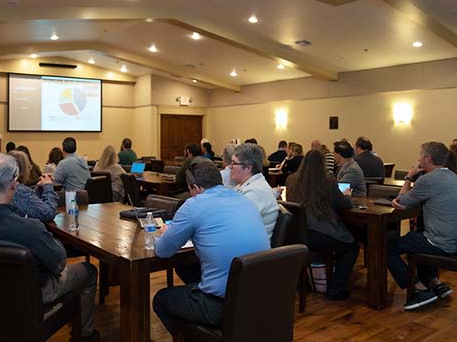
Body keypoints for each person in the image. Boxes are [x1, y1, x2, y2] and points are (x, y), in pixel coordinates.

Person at [0, 154, 99, 341]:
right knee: (88, 271)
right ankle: (85, 335)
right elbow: (59, 264)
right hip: (30, 297)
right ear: (14, 183)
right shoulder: (29, 228)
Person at [153, 160, 270, 334]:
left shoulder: (193, 205)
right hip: (260, 297)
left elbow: (163, 251)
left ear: (195, 187)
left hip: (223, 306)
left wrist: (163, 233)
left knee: (161, 299)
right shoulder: (243, 199)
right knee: (185, 267)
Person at [388, 142, 457, 311]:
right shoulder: (454, 176)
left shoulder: (428, 180)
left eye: (420, 156)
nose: (418, 159)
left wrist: (409, 176)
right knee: (418, 237)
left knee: (387, 248)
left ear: (428, 158)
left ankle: (420, 290)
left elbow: (400, 201)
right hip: (453, 238)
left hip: (441, 242)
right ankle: (435, 282)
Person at [286, 149, 359, 300]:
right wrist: (347, 196)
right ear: (323, 164)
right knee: (351, 247)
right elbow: (343, 205)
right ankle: (337, 288)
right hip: (320, 234)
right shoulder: (328, 182)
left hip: (299, 234)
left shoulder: (292, 179)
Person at [231, 143, 279, 241]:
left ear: (248, 168)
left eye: (234, 163)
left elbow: (234, 224)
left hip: (251, 251)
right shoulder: (245, 185)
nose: (230, 167)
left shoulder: (255, 192)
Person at [9, 150, 58, 221]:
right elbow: (48, 213)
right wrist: (48, 186)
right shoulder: (21, 191)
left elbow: (32, 203)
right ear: (24, 169)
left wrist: (40, 188)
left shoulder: (5, 187)